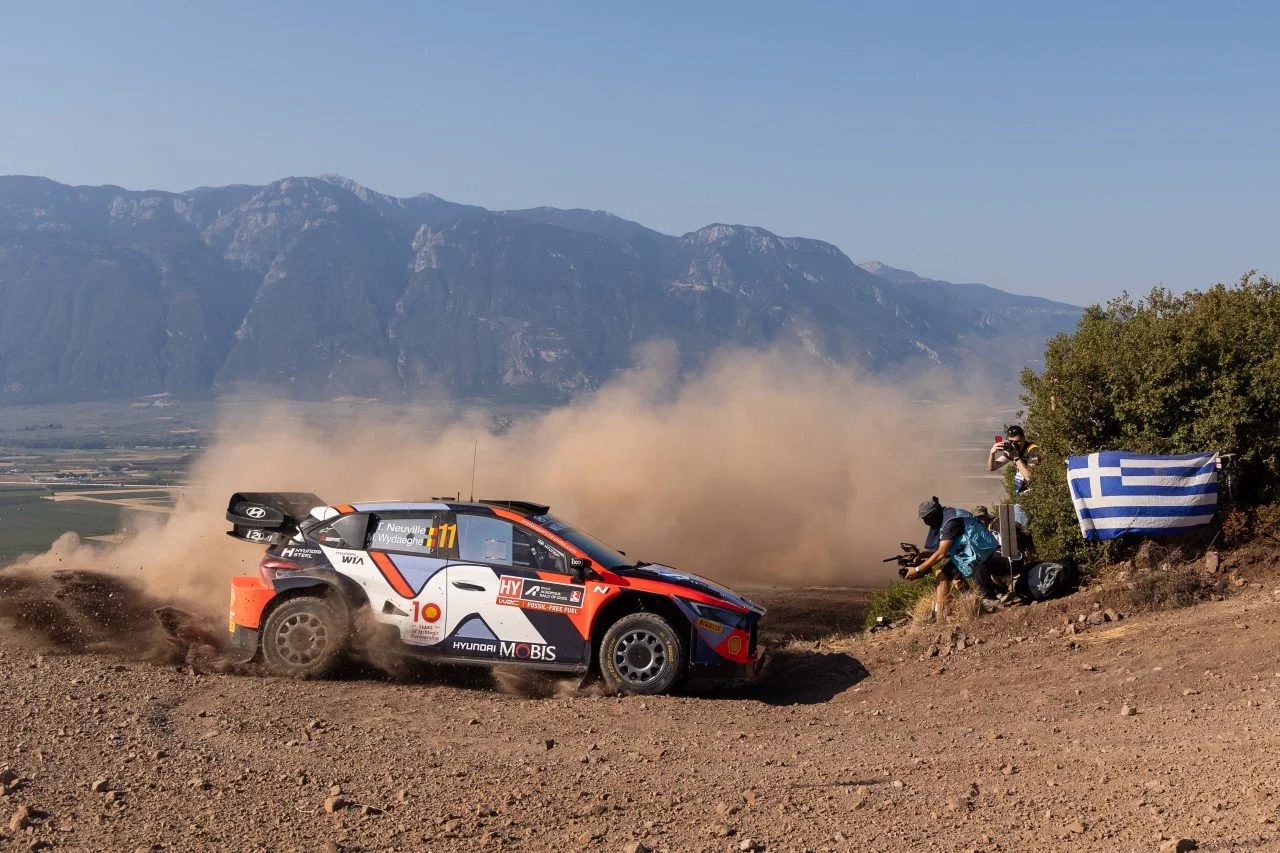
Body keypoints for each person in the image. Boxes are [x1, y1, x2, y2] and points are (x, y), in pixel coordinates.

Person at [904, 497, 1008, 619]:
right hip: (968, 554)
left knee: (949, 573)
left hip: (982, 553)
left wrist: (917, 570)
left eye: (926, 518)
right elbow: (939, 548)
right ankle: (941, 614)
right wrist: (921, 555)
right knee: (942, 573)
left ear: (933, 514)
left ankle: (988, 600)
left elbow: (941, 553)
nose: (925, 521)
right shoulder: (942, 519)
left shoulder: (950, 522)